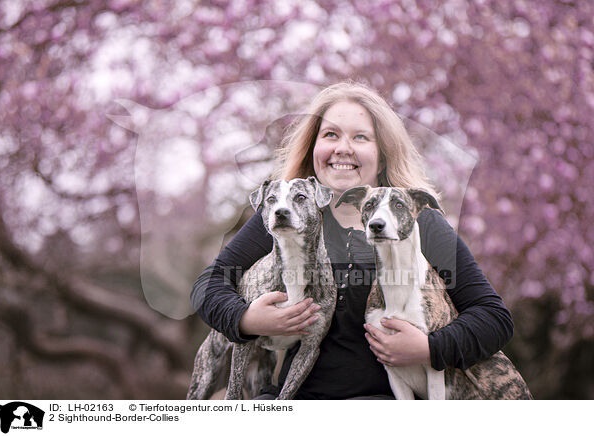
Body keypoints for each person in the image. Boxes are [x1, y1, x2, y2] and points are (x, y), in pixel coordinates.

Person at [190, 81, 513, 400]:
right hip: (295, 402)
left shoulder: (418, 221)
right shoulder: (284, 213)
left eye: (360, 137)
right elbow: (209, 284)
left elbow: (492, 317)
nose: (343, 148)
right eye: (330, 135)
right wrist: (246, 319)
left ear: (383, 154)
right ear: (313, 147)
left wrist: (429, 348)